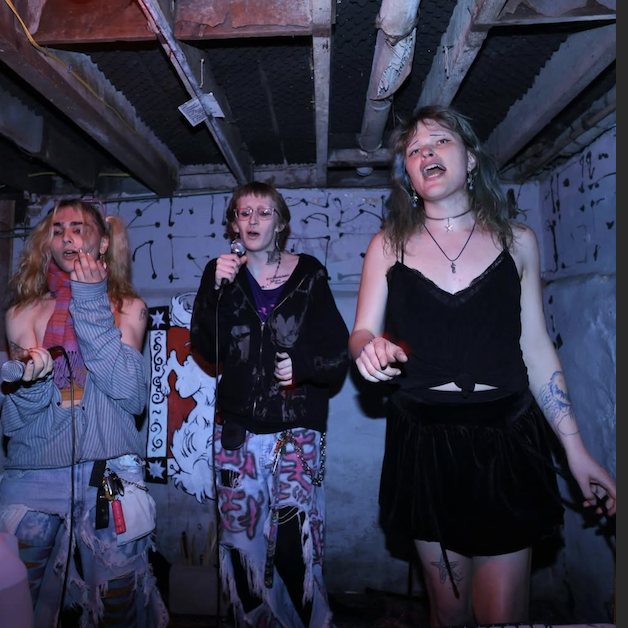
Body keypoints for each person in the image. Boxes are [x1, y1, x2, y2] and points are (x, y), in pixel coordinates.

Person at [349, 105, 616, 628]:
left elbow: (536, 347)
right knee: (448, 613)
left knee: (501, 615)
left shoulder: (519, 241)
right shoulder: (387, 246)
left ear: (470, 159)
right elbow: (361, 331)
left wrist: (576, 451)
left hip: (507, 441)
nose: (426, 152)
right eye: (414, 149)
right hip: (424, 444)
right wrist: (367, 348)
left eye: (440, 141)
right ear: (408, 176)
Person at [0, 200, 168, 627]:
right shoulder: (21, 313)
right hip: (35, 471)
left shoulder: (128, 307)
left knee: (117, 604)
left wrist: (91, 300)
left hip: (109, 471)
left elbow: (129, 394)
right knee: (17, 603)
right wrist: (29, 384)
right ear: (48, 243)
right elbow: (14, 422)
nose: (68, 237)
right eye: (58, 230)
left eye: (79, 228)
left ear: (103, 242)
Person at [190, 181, 350, 628]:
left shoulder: (309, 273)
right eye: (244, 213)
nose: (253, 220)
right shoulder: (220, 273)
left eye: (264, 212)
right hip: (237, 433)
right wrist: (214, 290)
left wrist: (302, 364)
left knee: (295, 548)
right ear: (233, 225)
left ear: (280, 223)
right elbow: (206, 346)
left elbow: (338, 354)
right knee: (243, 551)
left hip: (296, 429)